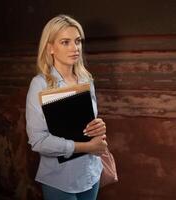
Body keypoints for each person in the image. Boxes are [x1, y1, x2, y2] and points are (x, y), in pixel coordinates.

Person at [25, 14, 108, 200]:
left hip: (91, 171)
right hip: (60, 177)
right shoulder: (40, 85)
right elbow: (38, 141)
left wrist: (99, 126)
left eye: (77, 41)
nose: (75, 48)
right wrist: (87, 147)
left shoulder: (86, 78)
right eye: (65, 42)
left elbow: (89, 120)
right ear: (50, 48)